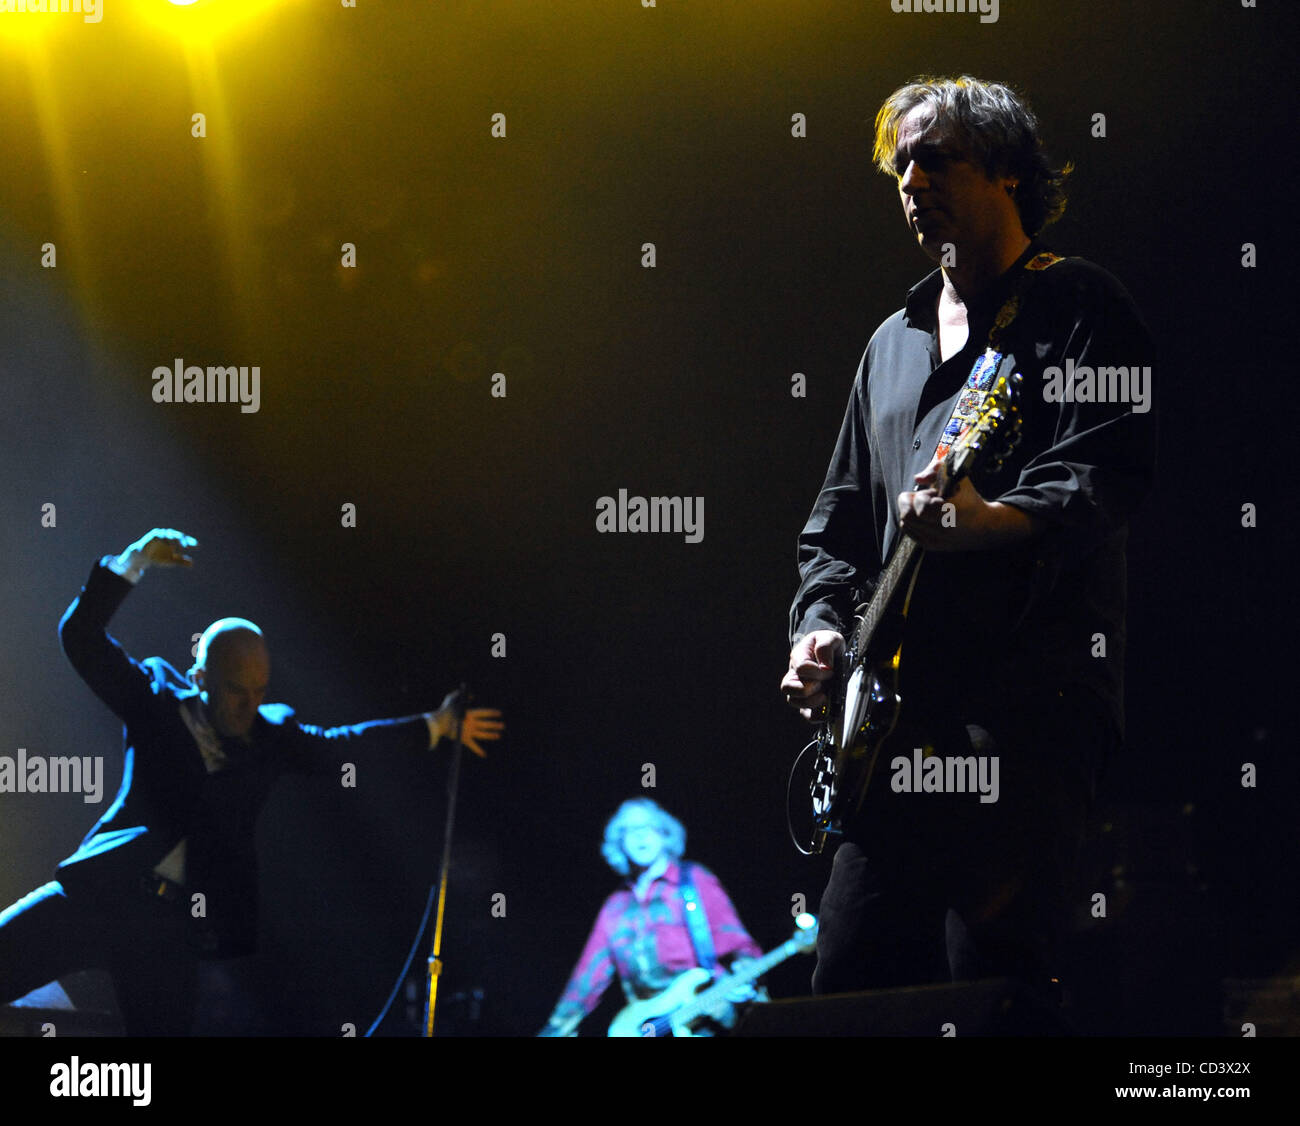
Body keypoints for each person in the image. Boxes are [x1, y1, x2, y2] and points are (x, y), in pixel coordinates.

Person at [780, 76, 1156, 1004]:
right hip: (892, 724)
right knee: (850, 984)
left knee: (985, 981)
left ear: (1005, 172)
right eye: (899, 164)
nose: (911, 178)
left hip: (1024, 705)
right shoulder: (890, 345)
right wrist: (819, 628)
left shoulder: (1076, 306)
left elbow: (1109, 467)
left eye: (934, 156)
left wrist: (987, 520)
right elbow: (834, 526)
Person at [0, 527, 503, 1035]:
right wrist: (133, 563)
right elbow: (81, 638)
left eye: (259, 691)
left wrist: (435, 726)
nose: (249, 707)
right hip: (101, 894)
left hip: (168, 930)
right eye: (235, 691)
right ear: (200, 678)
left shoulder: (272, 734)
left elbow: (345, 746)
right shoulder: (153, 700)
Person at [538, 798, 764, 1036]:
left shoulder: (693, 881)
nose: (640, 836)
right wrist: (555, 1027)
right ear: (619, 842)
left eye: (648, 827)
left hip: (706, 1018)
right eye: (629, 830)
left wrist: (744, 976)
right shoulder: (615, 907)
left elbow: (739, 945)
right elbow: (588, 976)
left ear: (665, 835)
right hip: (650, 1026)